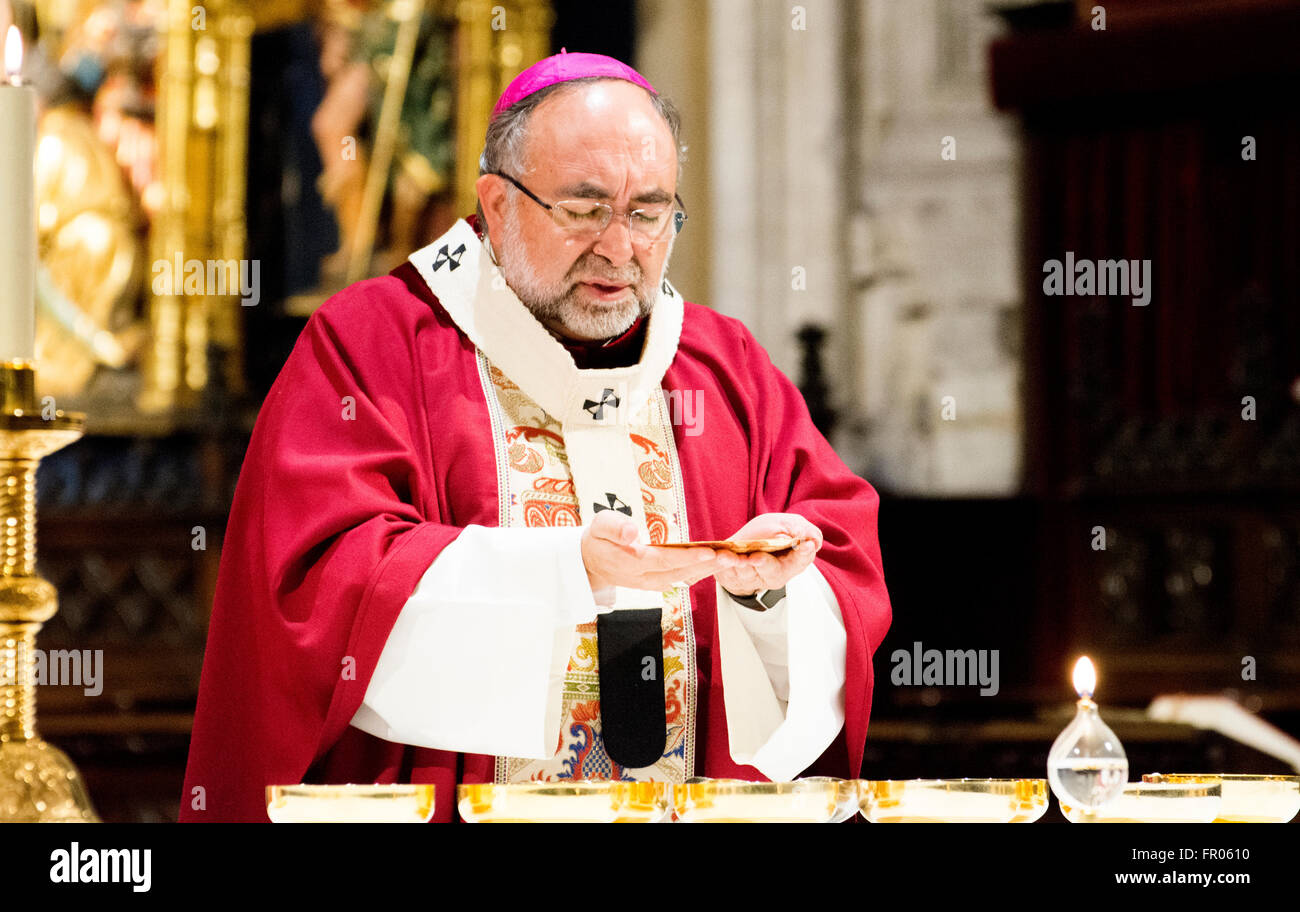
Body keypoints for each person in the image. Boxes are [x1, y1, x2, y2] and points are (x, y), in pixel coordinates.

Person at [180, 51, 891, 822]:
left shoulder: (726, 369)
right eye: (584, 210)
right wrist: (561, 573)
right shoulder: (374, 347)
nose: (620, 249)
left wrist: (767, 599)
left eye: (649, 212)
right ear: (496, 202)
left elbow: (842, 570)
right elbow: (318, 589)